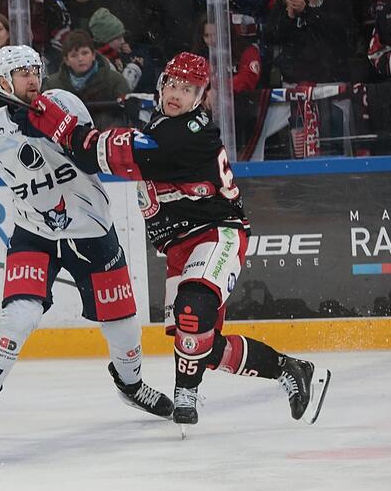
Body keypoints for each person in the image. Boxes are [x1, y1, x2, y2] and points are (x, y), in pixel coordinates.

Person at [22, 51, 331, 436]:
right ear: (162, 83)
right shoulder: (165, 124)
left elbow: (93, 151)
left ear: (201, 98)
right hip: (179, 248)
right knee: (201, 343)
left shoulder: (184, 134)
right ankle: (290, 369)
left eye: (189, 90)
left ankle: (186, 393)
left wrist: (53, 118)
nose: (177, 94)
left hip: (217, 233)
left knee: (191, 310)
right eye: (173, 85)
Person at [0, 44, 174, 440]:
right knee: (19, 316)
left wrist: (36, 121)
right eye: (22, 73)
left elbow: (85, 153)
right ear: (3, 82)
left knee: (122, 325)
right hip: (33, 235)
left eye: (35, 69)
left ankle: (131, 385)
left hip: (91, 233)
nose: (32, 78)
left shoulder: (62, 101)